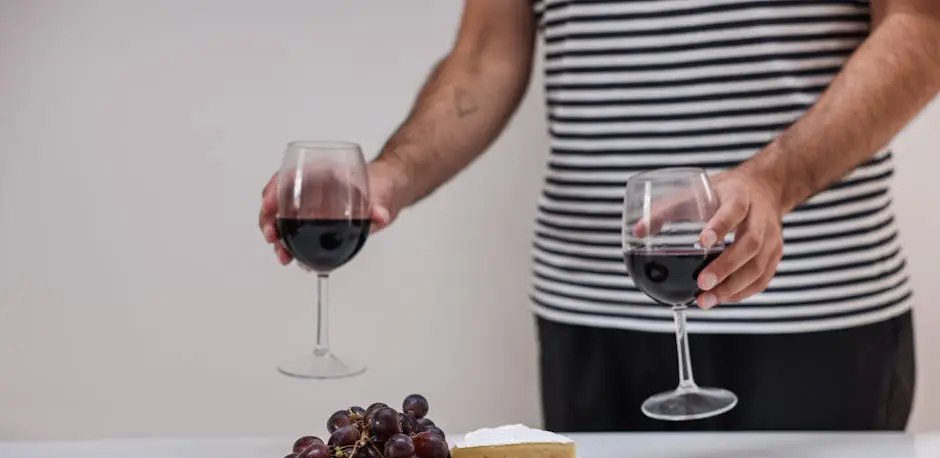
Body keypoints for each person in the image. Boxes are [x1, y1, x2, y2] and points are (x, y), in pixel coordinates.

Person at [259, 0, 940, 432]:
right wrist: (388, 175)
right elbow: (485, 54)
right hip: (587, 320)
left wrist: (773, 179)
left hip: (817, 316)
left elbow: (920, 25)